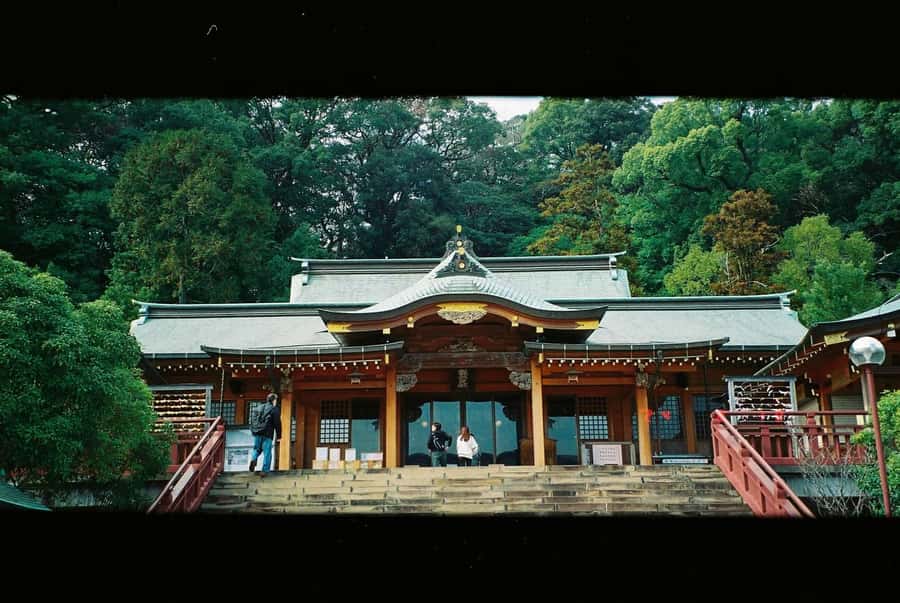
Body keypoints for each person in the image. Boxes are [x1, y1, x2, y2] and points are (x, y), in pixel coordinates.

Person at [248, 393, 282, 477]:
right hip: (267, 434)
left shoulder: (259, 407)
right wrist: (279, 436)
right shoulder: (274, 409)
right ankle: (265, 470)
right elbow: (277, 423)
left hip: (257, 433)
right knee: (267, 452)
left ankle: (253, 459)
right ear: (274, 400)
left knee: (257, 449)